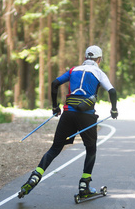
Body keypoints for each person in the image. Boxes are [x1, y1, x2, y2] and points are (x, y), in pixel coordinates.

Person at [18, 45, 118, 198]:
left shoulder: (73, 70)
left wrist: (54, 107)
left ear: (85, 58)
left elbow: (54, 84)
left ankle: (35, 176)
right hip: (86, 116)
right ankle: (84, 185)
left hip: (68, 114)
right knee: (91, 149)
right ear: (99, 60)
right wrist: (114, 109)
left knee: (55, 147)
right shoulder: (99, 72)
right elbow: (112, 91)